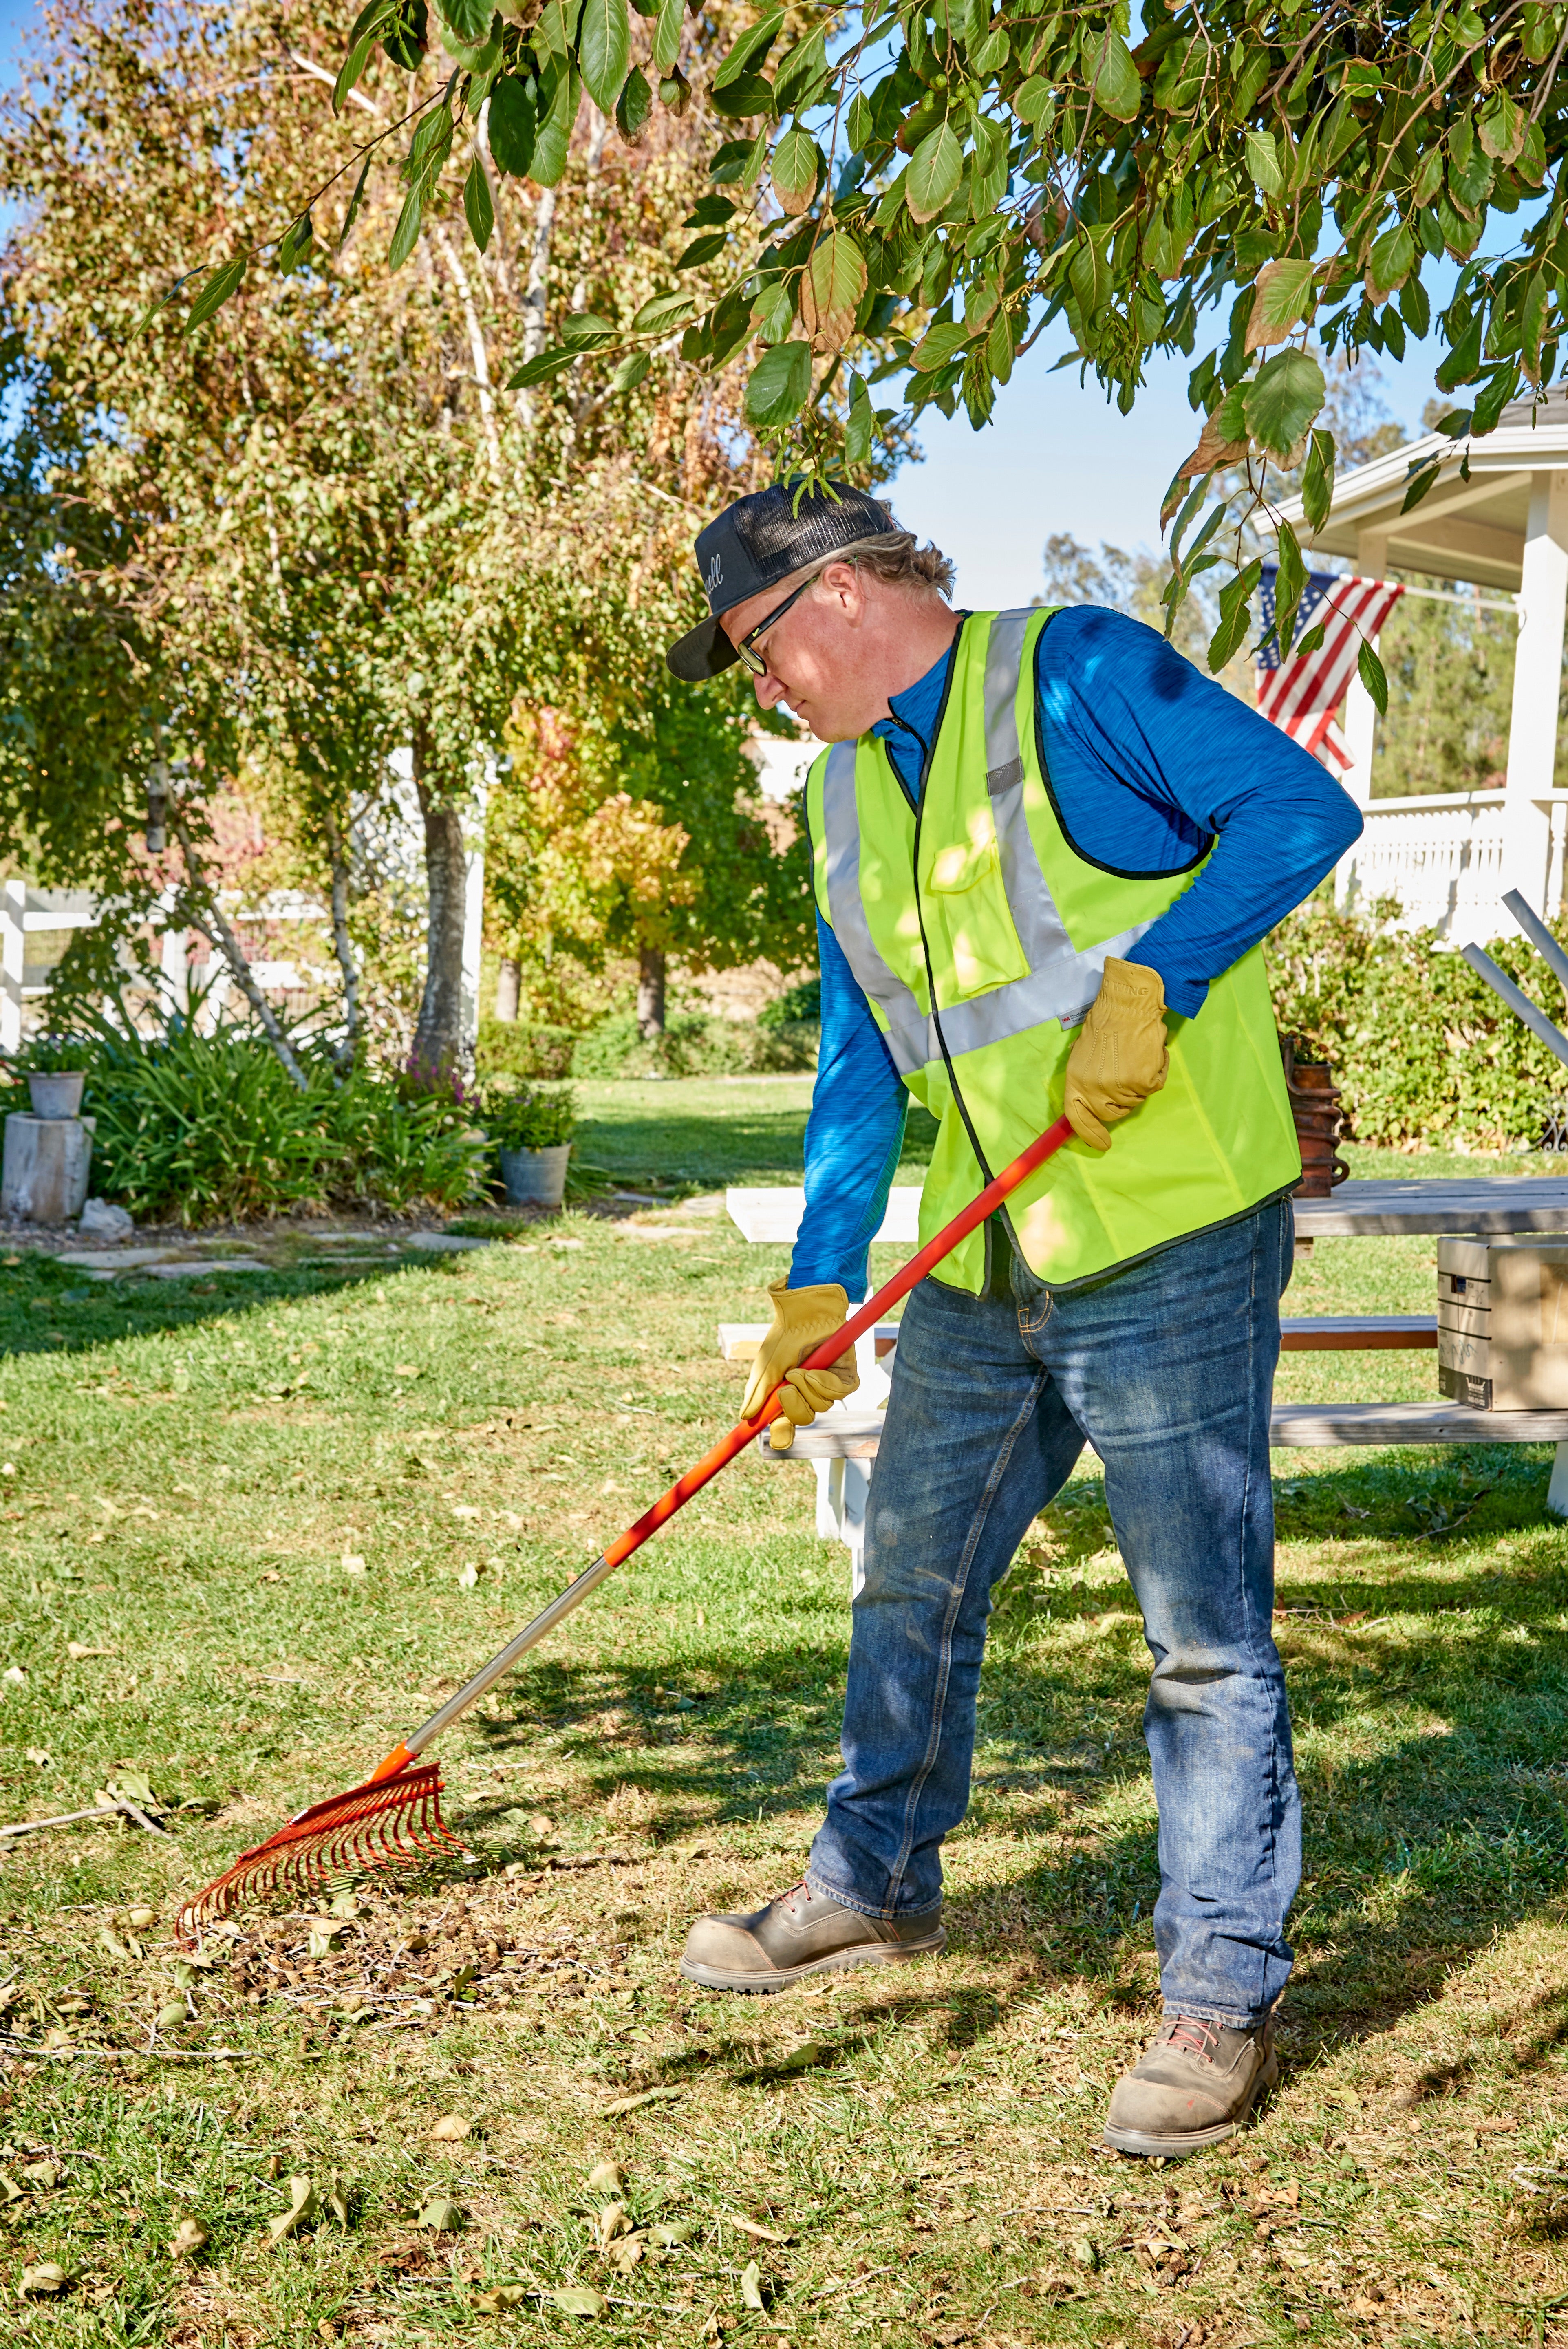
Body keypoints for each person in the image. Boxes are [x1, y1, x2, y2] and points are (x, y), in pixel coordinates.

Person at [663, 481, 1362, 2158]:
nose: (763, 691)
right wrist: (820, 1282)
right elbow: (856, 1069)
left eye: (757, 653)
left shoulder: (1075, 675)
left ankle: (1216, 1988)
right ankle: (871, 1876)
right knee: (912, 1566)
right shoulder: (841, 799)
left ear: (831, 599)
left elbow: (1294, 812)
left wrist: (1155, 979)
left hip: (1171, 1230)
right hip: (990, 1249)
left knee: (1198, 1636)